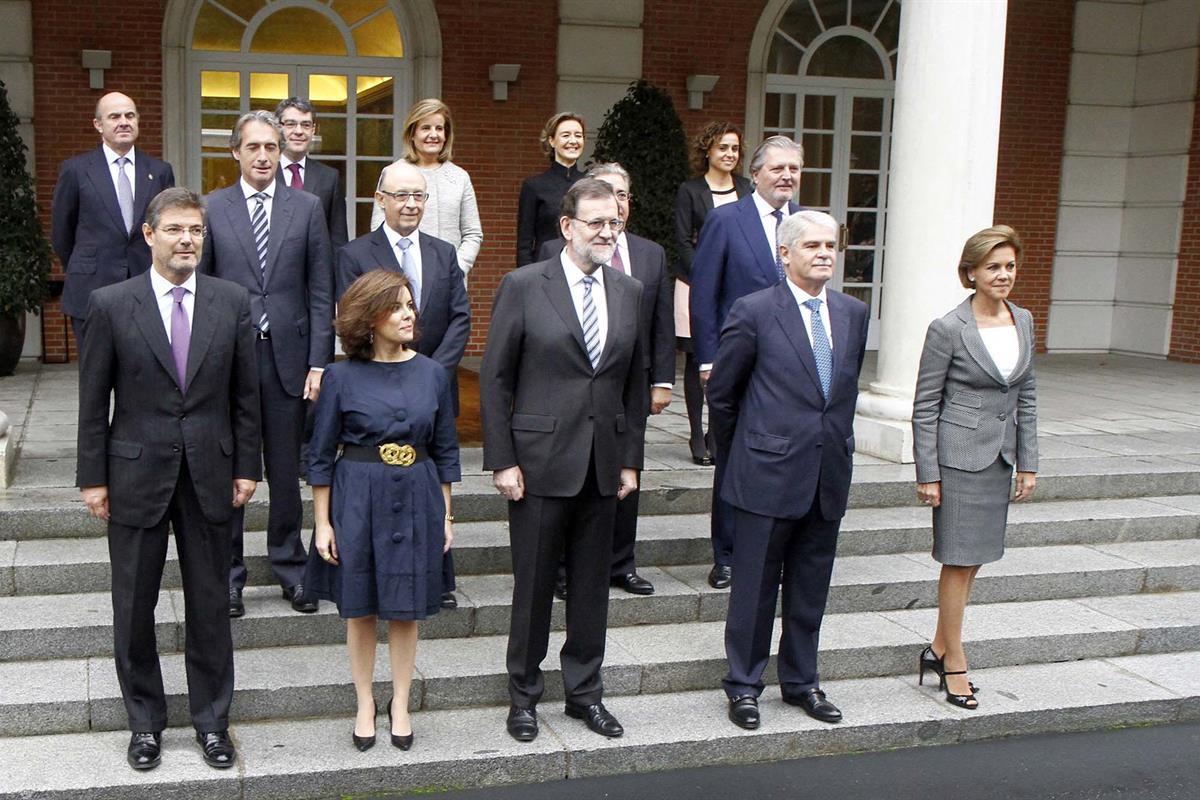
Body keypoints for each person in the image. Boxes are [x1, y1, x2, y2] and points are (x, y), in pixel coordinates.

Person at [76, 188, 260, 771]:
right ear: (149, 235)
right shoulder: (110, 303)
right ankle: (145, 724)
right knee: (133, 607)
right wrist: (93, 478)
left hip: (210, 473)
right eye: (177, 229)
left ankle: (212, 722)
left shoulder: (230, 302)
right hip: (134, 473)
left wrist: (246, 467)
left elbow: (245, 397)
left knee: (210, 605)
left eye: (197, 231)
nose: (188, 240)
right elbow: (92, 401)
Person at [481, 179, 646, 742]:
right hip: (538, 463)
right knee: (532, 589)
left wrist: (630, 459)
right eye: (595, 222)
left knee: (592, 587)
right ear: (566, 226)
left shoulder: (629, 290)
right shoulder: (525, 285)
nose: (606, 232)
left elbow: (634, 383)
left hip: (603, 465)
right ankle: (523, 696)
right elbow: (496, 377)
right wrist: (502, 459)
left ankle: (584, 693)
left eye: (614, 222)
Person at [707, 210, 868, 731]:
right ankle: (744, 685)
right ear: (785, 253)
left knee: (810, 587)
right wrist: (743, 458)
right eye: (812, 245)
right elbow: (723, 394)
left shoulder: (852, 313)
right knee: (754, 589)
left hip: (826, 474)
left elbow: (840, 395)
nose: (824, 253)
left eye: (830, 245)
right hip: (766, 473)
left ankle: (802, 682)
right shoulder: (754, 311)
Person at [304, 269, 460, 752]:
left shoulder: (433, 372)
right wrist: (322, 523)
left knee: (408, 611)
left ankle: (402, 703)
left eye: (411, 304)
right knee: (361, 611)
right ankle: (365, 702)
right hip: (358, 499)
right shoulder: (340, 377)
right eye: (397, 306)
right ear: (370, 318)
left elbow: (446, 450)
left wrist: (447, 516)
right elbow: (320, 454)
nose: (409, 314)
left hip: (416, 498)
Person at [199, 110, 334, 618]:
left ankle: (290, 568)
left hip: (290, 361)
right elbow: (204, 289)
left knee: (283, 470)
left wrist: (319, 361)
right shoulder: (214, 207)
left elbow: (321, 292)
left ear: (283, 153)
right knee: (232, 470)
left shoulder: (307, 208)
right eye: (253, 147)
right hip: (229, 362)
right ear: (235, 152)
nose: (262, 156)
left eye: (271, 147)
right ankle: (230, 576)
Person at [912, 225, 1038, 710]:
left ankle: (938, 646)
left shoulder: (1022, 319)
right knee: (957, 557)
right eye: (993, 267)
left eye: (1009, 266)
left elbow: (1026, 395)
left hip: (1000, 457)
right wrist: (928, 472)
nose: (1003, 275)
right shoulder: (948, 328)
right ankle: (954, 661)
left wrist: (1028, 460)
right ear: (971, 273)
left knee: (977, 557)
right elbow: (926, 404)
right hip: (958, 459)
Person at [339, 158, 471, 608]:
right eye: (401, 195)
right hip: (374, 385)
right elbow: (351, 319)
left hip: (431, 386)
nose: (411, 204)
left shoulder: (442, 252)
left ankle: (437, 578)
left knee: (429, 471)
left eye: (418, 196)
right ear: (381, 201)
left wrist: (428, 370)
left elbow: (460, 317)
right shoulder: (355, 254)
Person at [538, 162, 674, 597]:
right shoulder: (549, 253)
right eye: (606, 194)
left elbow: (661, 323)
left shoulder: (650, 255)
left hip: (627, 385)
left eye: (622, 196)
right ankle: (561, 568)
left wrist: (664, 380)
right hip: (569, 393)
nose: (616, 204)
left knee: (626, 475)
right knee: (572, 477)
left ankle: (622, 563)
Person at [689, 135, 803, 590]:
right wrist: (707, 358)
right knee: (733, 459)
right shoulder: (726, 220)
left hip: (792, 369)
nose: (787, 177)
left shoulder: (807, 223)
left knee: (785, 459)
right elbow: (704, 294)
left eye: (794, 169)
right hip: (736, 365)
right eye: (777, 169)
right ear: (754, 174)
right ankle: (729, 555)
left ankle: (775, 550)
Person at [51, 91, 175, 349]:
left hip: (145, 288)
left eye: (130, 115)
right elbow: (62, 232)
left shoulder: (159, 172)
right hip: (91, 289)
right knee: (95, 377)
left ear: (138, 121)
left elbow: (167, 228)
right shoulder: (76, 170)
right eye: (114, 116)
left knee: (143, 375)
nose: (123, 122)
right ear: (98, 125)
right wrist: (85, 264)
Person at [674, 122, 752, 466]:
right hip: (694, 284)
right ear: (707, 150)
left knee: (733, 357)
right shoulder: (690, 191)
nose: (729, 155)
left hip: (736, 288)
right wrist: (706, 278)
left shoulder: (748, 189)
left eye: (734, 149)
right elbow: (681, 240)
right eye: (723, 148)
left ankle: (717, 434)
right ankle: (695, 432)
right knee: (696, 360)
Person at [369, 98, 483, 280]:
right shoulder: (392, 173)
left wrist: (457, 268)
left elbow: (472, 233)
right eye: (425, 128)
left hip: (449, 279)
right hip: (400, 278)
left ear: (447, 135)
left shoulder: (460, 177)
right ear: (412, 134)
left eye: (439, 128)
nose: (433, 135)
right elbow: (378, 227)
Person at [274, 97, 348, 251]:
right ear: (278, 127)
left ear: (313, 130)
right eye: (291, 124)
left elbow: (338, 238)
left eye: (305, 125)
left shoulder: (329, 178)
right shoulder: (265, 174)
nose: (299, 131)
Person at [515, 112, 585, 266]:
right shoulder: (534, 186)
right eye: (566, 135)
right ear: (552, 141)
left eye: (578, 136)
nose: (573, 141)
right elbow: (524, 243)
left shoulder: (591, 183)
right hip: (545, 268)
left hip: (585, 268)